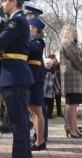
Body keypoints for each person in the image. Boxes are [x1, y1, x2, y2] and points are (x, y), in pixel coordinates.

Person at [0, 0, 34, 158]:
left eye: (5, 0)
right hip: (15, 75)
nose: (2, 4)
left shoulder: (17, 21)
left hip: (15, 76)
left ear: (14, 2)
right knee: (19, 120)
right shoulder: (18, 21)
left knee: (19, 122)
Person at [59, 24, 82, 138]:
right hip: (71, 77)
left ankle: (74, 127)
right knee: (71, 104)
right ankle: (70, 129)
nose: (76, 33)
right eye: (74, 31)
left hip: (75, 77)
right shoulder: (67, 43)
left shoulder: (73, 44)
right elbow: (75, 60)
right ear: (69, 32)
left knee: (75, 104)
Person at [27, 17, 47, 151]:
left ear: (35, 29)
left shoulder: (39, 41)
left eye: (28, 28)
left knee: (37, 111)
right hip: (30, 78)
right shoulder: (32, 40)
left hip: (36, 79)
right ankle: (38, 138)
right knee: (33, 111)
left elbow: (30, 48)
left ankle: (40, 141)